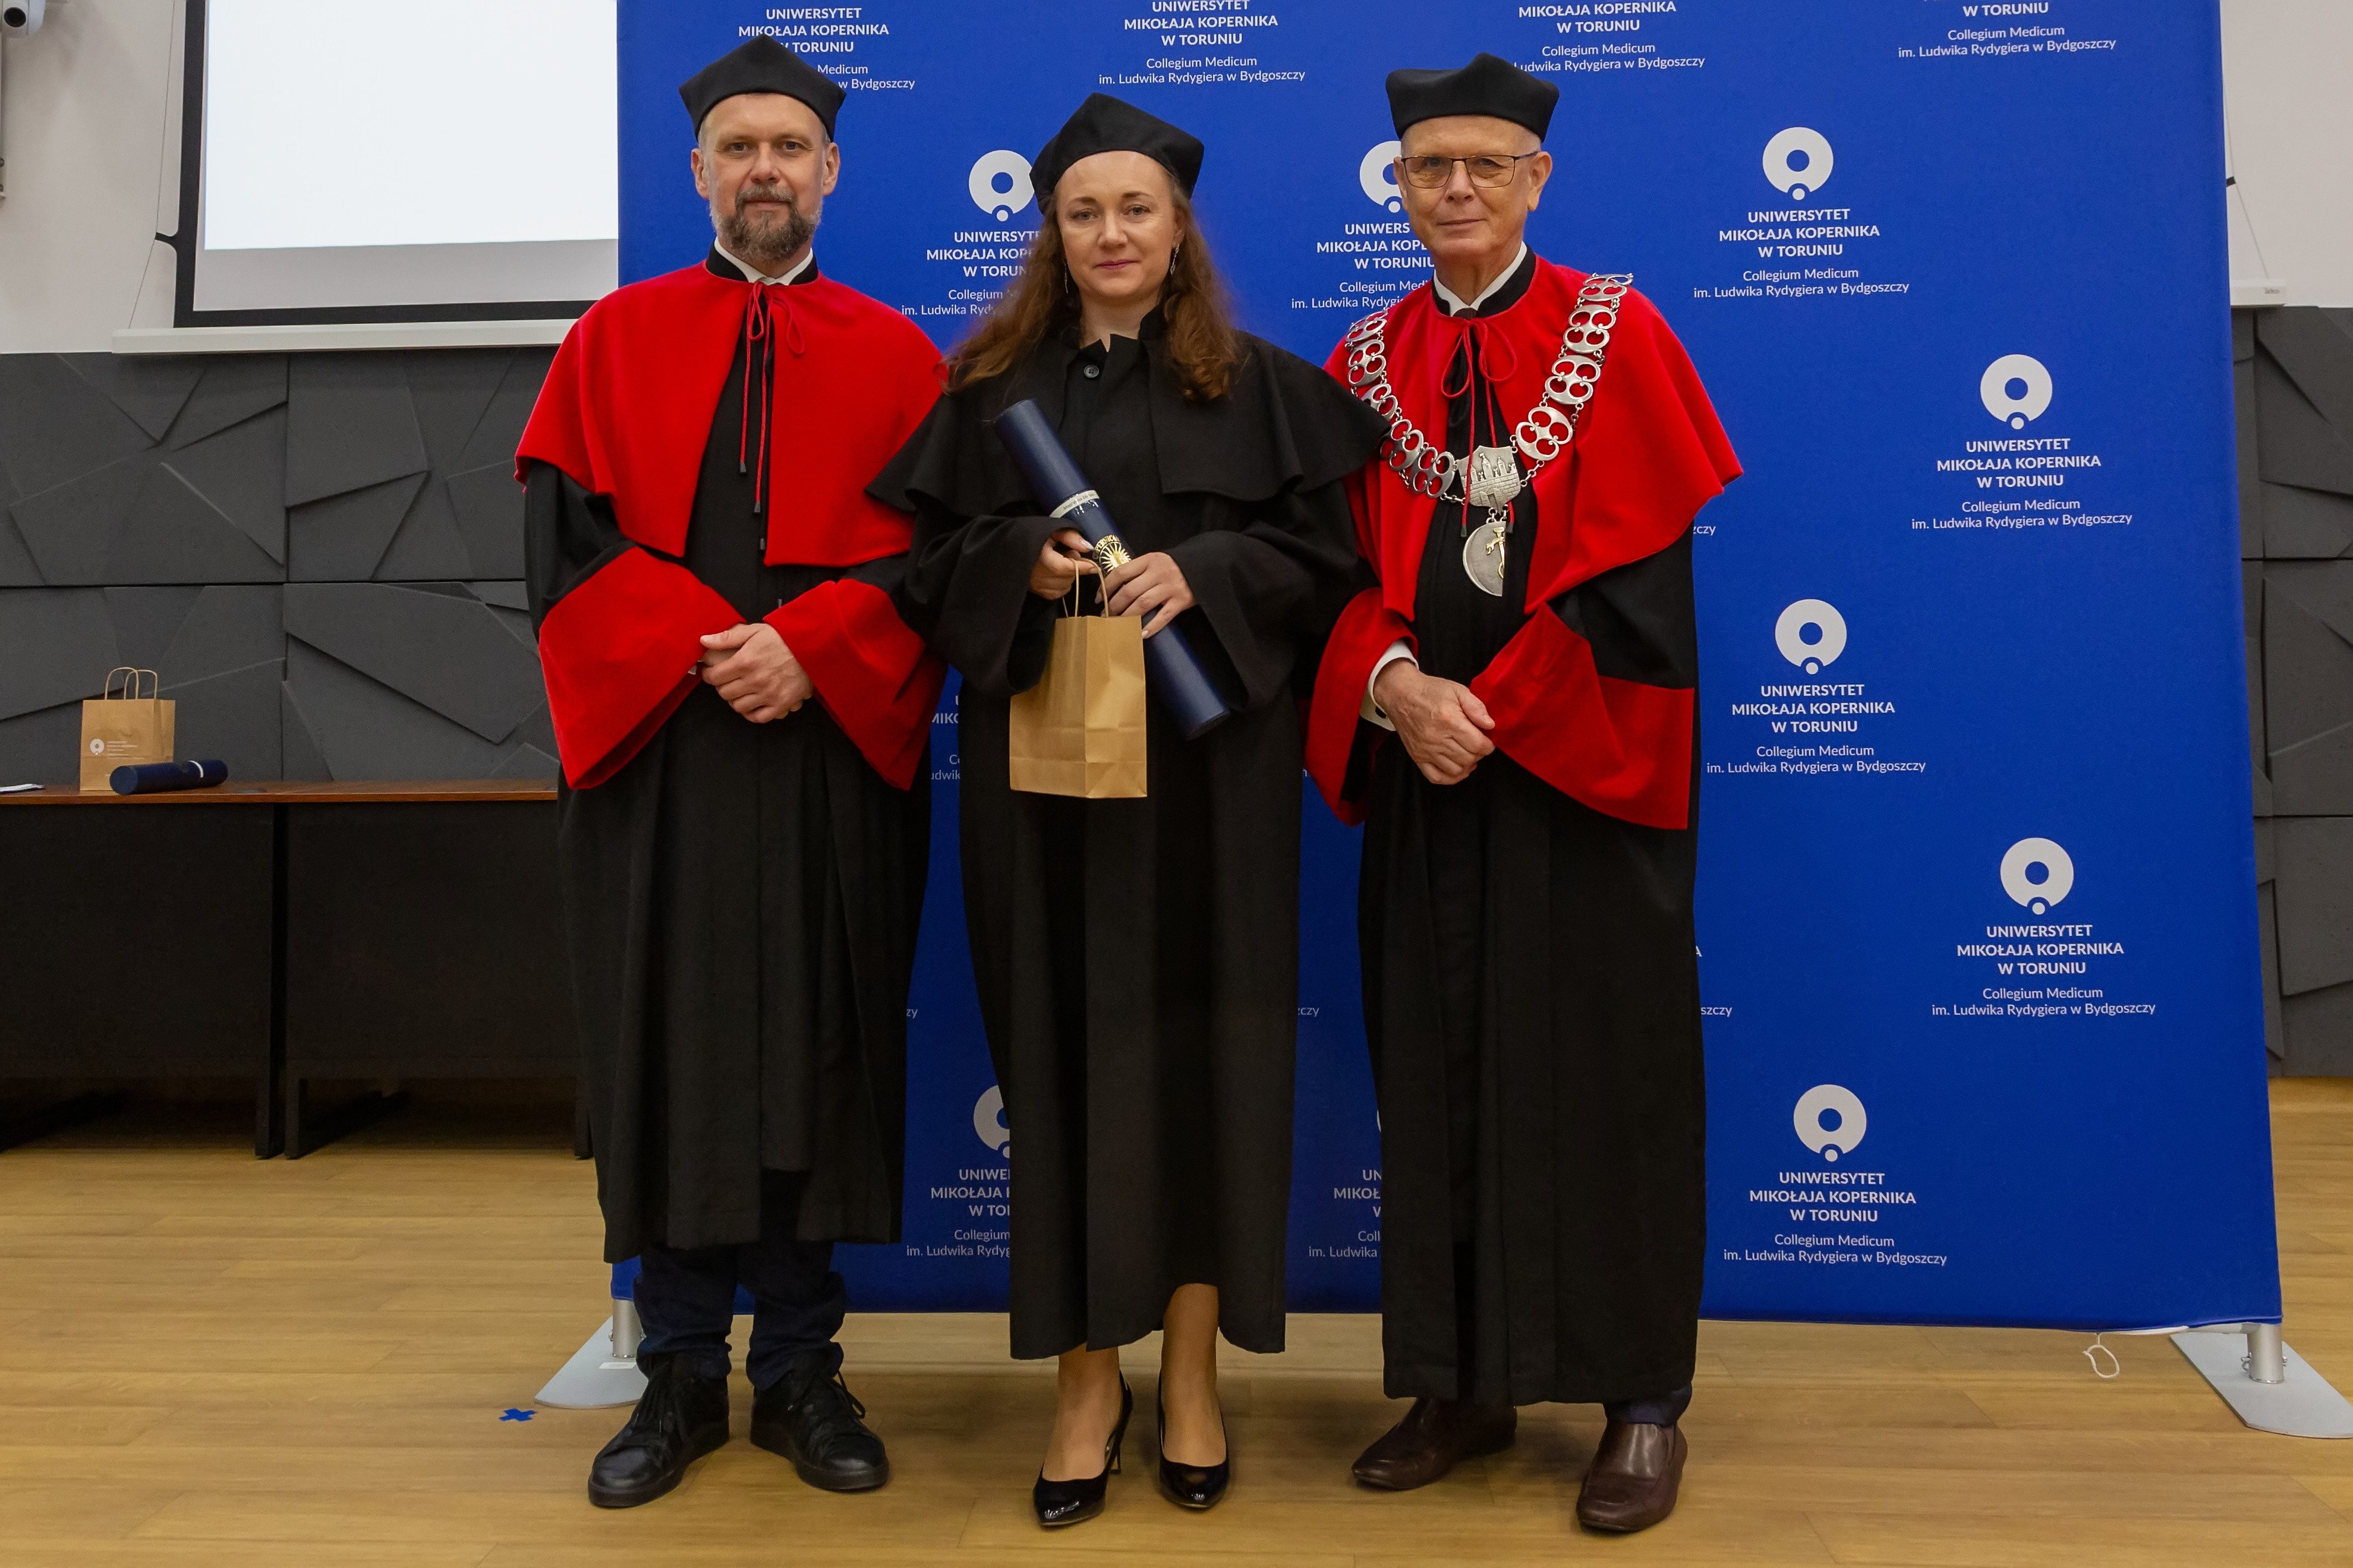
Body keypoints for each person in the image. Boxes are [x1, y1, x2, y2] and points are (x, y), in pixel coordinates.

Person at [874, 94, 1382, 1529]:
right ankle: (1087, 1384)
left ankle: (1196, 1377)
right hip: (1049, 788)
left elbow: (1327, 565)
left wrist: (1201, 572)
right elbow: (923, 570)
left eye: (1136, 209)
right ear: (1055, 231)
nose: (1111, 233)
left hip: (1216, 786)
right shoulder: (990, 396)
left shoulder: (1264, 387)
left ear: (1177, 230)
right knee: (1063, 1060)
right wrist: (1022, 562)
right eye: (1085, 211)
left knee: (1216, 1061)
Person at [1306, 54, 1741, 1534]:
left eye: (1485, 165)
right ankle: (1461, 1383)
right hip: (1428, 777)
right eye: (1429, 167)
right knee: (1434, 1072)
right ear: (1398, 185)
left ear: (1536, 180)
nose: (1457, 190)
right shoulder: (1365, 360)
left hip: (1588, 776)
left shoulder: (1620, 333)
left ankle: (1640, 1400)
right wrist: (1397, 691)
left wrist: (1496, 707)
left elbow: (1644, 589)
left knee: (1616, 1076)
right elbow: (1327, 578)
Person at [514, 38, 946, 1509]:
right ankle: (682, 1372)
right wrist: (710, 650)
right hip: (662, 761)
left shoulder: (898, 356)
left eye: (791, 147)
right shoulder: (610, 341)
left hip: (828, 758)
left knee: (818, 1040)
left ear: (831, 171)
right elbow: (564, 550)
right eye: (740, 147)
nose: (766, 168)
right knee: (673, 1041)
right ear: (698, 170)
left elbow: (939, 564)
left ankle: (805, 1371)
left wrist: (811, 647)